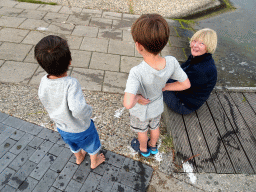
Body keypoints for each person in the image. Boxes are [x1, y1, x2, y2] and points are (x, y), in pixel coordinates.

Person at [123, 14, 191, 157]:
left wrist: (138, 99)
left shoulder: (136, 72)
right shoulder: (171, 62)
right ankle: (153, 146)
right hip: (157, 106)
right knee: (155, 127)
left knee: (142, 131)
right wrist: (166, 87)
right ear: (164, 42)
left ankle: (143, 149)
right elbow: (185, 84)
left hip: (141, 111)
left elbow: (128, 103)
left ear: (138, 46)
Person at [35, 35, 105, 169]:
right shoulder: (71, 84)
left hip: (62, 127)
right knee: (92, 144)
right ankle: (94, 161)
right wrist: (89, 111)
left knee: (73, 144)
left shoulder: (44, 81)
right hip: (81, 128)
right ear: (69, 61)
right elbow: (78, 109)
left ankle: (79, 158)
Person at [163, 28, 218, 115]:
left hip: (184, 105)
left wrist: (163, 87)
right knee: (162, 74)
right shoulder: (198, 57)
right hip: (185, 90)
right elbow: (182, 70)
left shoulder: (201, 70)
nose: (195, 45)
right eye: (195, 41)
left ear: (209, 46)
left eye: (202, 43)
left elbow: (183, 85)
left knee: (157, 86)